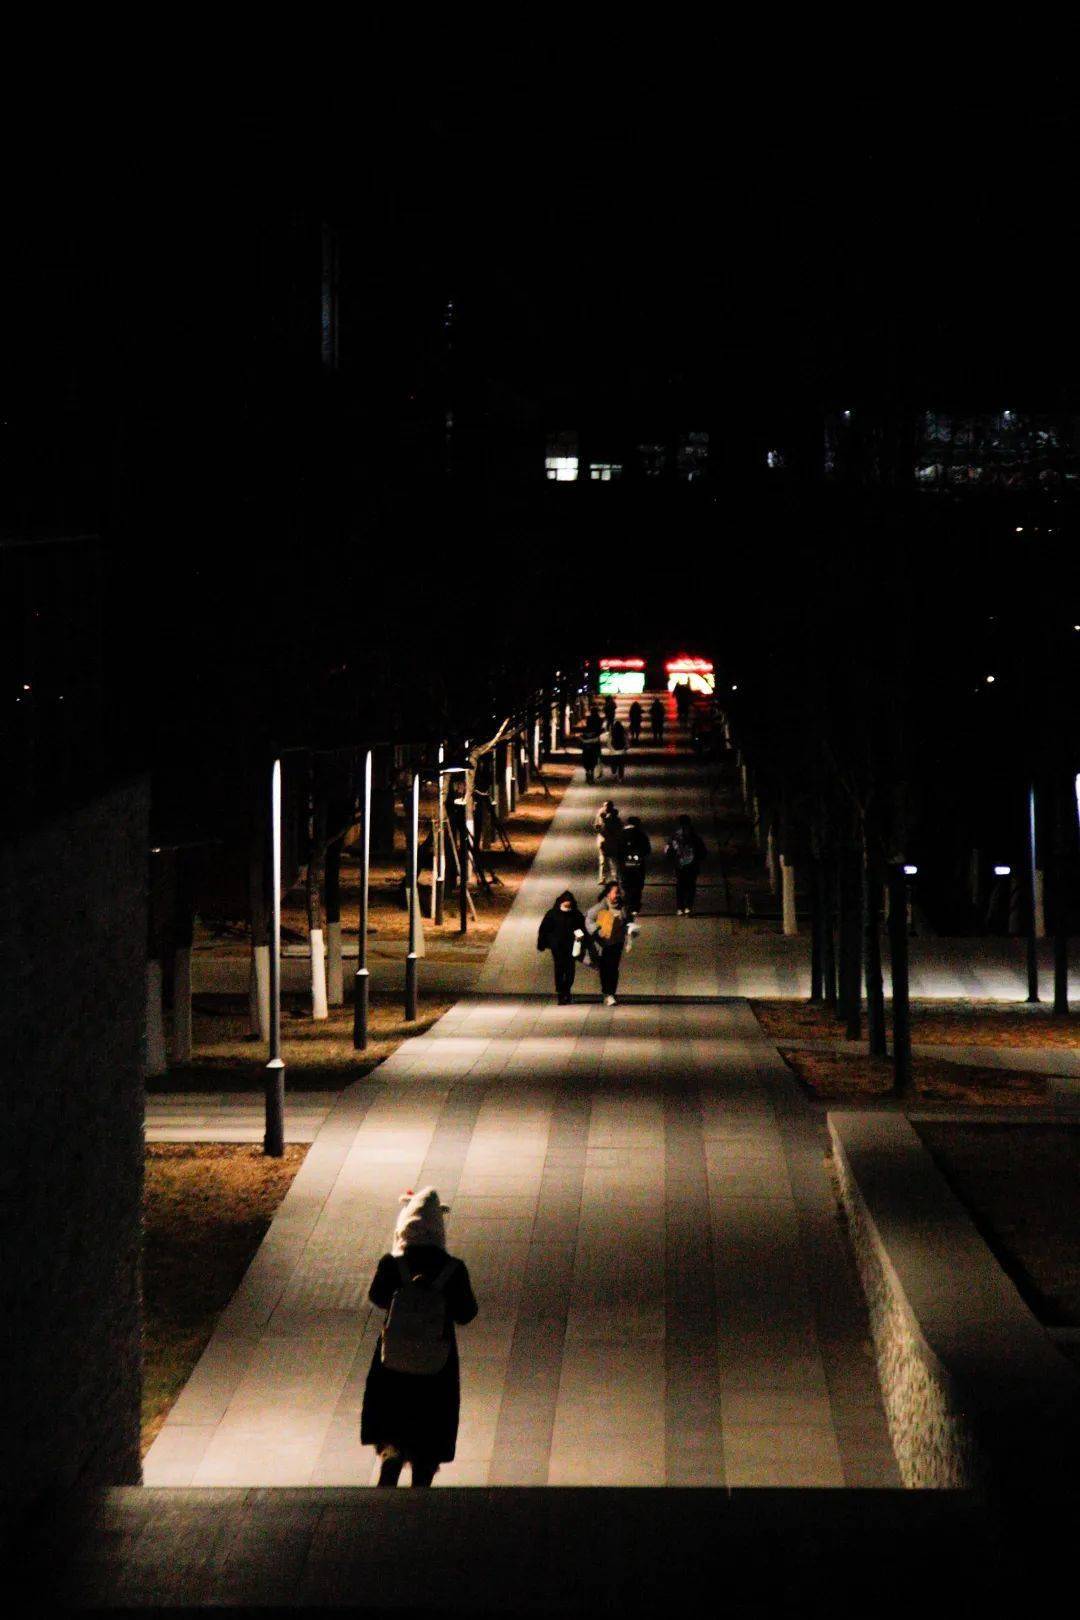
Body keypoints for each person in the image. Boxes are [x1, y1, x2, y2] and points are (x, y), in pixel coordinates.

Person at [361, 1187, 478, 1486]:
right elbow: (467, 1313)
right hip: (436, 1360)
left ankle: (391, 1452)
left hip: (394, 1355)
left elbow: (377, 1297)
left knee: (393, 1410)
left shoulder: (392, 1264)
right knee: (430, 1420)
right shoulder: (453, 1269)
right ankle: (423, 1477)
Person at [537, 889, 589, 1003]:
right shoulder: (552, 914)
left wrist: (583, 941)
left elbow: (582, 929)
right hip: (557, 947)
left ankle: (566, 990)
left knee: (570, 970)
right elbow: (544, 929)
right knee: (560, 968)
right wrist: (543, 943)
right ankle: (561, 992)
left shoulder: (576, 914)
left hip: (571, 946)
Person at [585, 881, 633, 1005]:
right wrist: (596, 931)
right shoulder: (601, 907)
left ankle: (611, 992)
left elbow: (629, 923)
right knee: (605, 968)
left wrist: (629, 939)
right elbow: (588, 918)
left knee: (613, 968)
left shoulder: (623, 908)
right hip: (603, 944)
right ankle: (607, 993)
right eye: (615, 892)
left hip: (617, 943)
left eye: (618, 893)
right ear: (608, 893)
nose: (617, 895)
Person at [666, 814, 707, 915]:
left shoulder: (675, 836)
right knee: (691, 885)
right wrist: (699, 859)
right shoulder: (694, 836)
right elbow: (702, 851)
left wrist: (672, 860)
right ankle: (688, 906)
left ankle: (680, 908)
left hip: (679, 864)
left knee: (680, 885)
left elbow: (668, 850)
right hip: (692, 865)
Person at [619, 815, 652, 914]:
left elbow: (617, 850)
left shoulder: (621, 834)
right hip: (638, 864)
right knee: (637, 885)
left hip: (625, 864)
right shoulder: (641, 835)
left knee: (626, 885)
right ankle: (635, 907)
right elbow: (647, 850)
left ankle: (627, 905)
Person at [593, 800, 623, 884]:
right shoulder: (600, 815)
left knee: (613, 860)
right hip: (603, 839)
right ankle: (602, 878)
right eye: (605, 806)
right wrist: (598, 827)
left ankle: (615, 878)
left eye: (608, 806)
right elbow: (596, 825)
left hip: (612, 840)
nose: (606, 808)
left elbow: (618, 828)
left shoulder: (615, 818)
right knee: (603, 860)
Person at [580, 709, 603, 784]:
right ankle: (591, 773)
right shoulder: (598, 720)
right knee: (594, 759)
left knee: (586, 760)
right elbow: (600, 729)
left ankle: (587, 772)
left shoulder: (588, 721)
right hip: (594, 745)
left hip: (586, 747)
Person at [608, 717, 629, 781]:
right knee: (621, 765)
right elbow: (627, 743)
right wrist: (625, 748)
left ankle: (614, 773)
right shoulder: (623, 735)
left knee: (613, 764)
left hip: (613, 751)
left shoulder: (612, 734)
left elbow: (609, 742)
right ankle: (620, 777)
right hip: (621, 751)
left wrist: (611, 749)